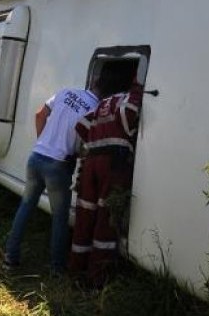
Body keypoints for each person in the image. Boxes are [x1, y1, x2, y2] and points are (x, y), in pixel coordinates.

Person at [4, 81, 104, 275]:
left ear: (92, 83)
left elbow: (39, 114)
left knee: (26, 206)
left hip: (36, 157)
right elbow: (84, 145)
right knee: (59, 218)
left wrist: (43, 141)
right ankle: (57, 268)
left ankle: (10, 257)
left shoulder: (66, 91)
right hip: (59, 164)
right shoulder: (95, 109)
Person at [68, 60, 145, 287]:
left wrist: (95, 139)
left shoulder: (102, 103)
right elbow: (130, 113)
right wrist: (138, 89)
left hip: (91, 161)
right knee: (105, 218)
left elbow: (81, 125)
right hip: (113, 164)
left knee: (85, 215)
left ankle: (75, 268)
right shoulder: (126, 98)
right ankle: (97, 278)